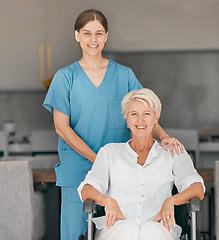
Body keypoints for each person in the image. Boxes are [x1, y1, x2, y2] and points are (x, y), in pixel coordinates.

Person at [43, 9, 184, 240]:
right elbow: (62, 127)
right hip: (77, 169)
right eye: (87, 33)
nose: (93, 39)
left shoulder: (124, 75)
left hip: (123, 171)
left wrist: (164, 136)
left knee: (122, 231)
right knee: (75, 234)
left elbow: (144, 113)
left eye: (99, 33)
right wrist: (96, 159)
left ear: (106, 36)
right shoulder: (65, 78)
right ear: (77, 35)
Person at [78, 88, 205, 240]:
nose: (140, 120)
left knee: (150, 230)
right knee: (128, 228)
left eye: (146, 114)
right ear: (126, 118)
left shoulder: (172, 152)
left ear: (156, 118)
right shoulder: (109, 152)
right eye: (134, 114)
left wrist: (171, 200)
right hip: (116, 230)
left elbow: (197, 188)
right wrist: (106, 200)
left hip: (159, 229)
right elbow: (86, 189)